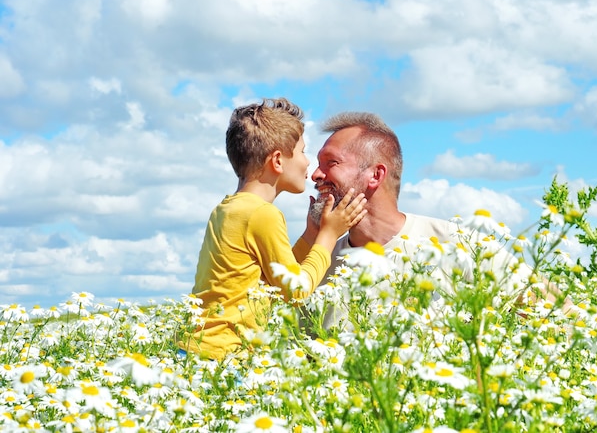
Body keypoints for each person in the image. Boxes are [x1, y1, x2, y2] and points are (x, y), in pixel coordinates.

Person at [293, 111, 565, 331]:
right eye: (318, 164)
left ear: (375, 175)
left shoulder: (459, 245)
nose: (315, 175)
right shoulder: (318, 266)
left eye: (332, 163)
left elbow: (561, 313)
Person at [178, 98, 367, 360]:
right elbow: (296, 289)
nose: (308, 165)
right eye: (302, 151)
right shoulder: (262, 214)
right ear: (277, 161)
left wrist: (310, 236)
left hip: (198, 349)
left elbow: (273, 281)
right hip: (224, 356)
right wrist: (329, 234)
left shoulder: (228, 209)